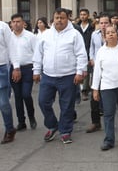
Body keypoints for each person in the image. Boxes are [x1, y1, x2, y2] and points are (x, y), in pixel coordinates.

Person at [33, 8, 88, 144]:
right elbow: (38, 54)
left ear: (67, 19)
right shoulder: (45, 35)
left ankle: (65, 131)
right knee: (43, 102)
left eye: (62, 18)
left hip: (68, 76)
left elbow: (81, 54)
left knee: (67, 105)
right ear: (53, 19)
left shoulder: (74, 35)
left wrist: (80, 72)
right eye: (57, 18)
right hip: (48, 76)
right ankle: (52, 125)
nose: (59, 20)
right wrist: (36, 71)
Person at [91, 26, 118, 151]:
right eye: (108, 33)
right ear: (104, 36)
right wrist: (95, 89)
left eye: (113, 32)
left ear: (117, 35)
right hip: (107, 86)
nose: (110, 35)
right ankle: (109, 140)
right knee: (108, 113)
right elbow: (97, 71)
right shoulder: (101, 51)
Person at [9, 13, 37, 131]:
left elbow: (36, 53)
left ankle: (31, 116)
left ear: (23, 23)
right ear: (11, 24)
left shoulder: (30, 36)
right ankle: (21, 121)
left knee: (26, 94)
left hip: (27, 68)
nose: (16, 24)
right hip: (13, 69)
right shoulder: (8, 37)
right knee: (18, 96)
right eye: (14, 22)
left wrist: (37, 71)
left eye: (18, 21)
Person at [0, 20, 17, 144]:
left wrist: (16, 67)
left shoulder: (3, 27)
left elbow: (12, 47)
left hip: (2, 67)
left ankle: (10, 129)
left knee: (3, 103)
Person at [76, 8, 95, 101]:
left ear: (88, 15)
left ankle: (85, 90)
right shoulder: (76, 27)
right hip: (78, 50)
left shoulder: (92, 26)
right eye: (81, 14)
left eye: (84, 14)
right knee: (79, 71)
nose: (83, 16)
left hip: (88, 49)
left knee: (87, 71)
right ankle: (80, 90)